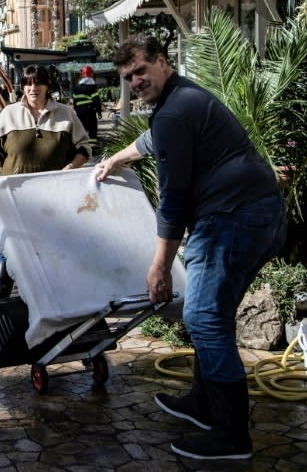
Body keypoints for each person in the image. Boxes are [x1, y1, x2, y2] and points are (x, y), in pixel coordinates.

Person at [95, 35, 287, 461]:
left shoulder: (175, 111)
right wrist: (118, 158)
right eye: (128, 78)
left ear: (162, 62)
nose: (135, 82)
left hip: (233, 220)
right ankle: (204, 405)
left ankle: (230, 434)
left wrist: (159, 266)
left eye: (141, 71)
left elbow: (175, 199)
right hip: (257, 214)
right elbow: (152, 141)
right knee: (211, 316)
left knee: (202, 317)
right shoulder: (183, 98)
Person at [0, 65, 91, 299]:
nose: (33, 88)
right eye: (28, 83)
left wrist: (69, 169)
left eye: (38, 83)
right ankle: (1, 303)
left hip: (54, 199)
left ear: (47, 86)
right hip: (13, 198)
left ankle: (54, 301)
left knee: (52, 250)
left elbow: (85, 148)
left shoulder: (66, 114)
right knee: (11, 250)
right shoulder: (10, 114)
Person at [72, 65, 102, 142]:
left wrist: (77, 110)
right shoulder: (92, 86)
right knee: (92, 129)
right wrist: (99, 112)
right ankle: (92, 146)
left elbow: (75, 101)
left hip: (80, 113)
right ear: (91, 74)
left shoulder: (76, 87)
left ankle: (83, 145)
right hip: (90, 112)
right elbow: (96, 100)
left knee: (82, 129)